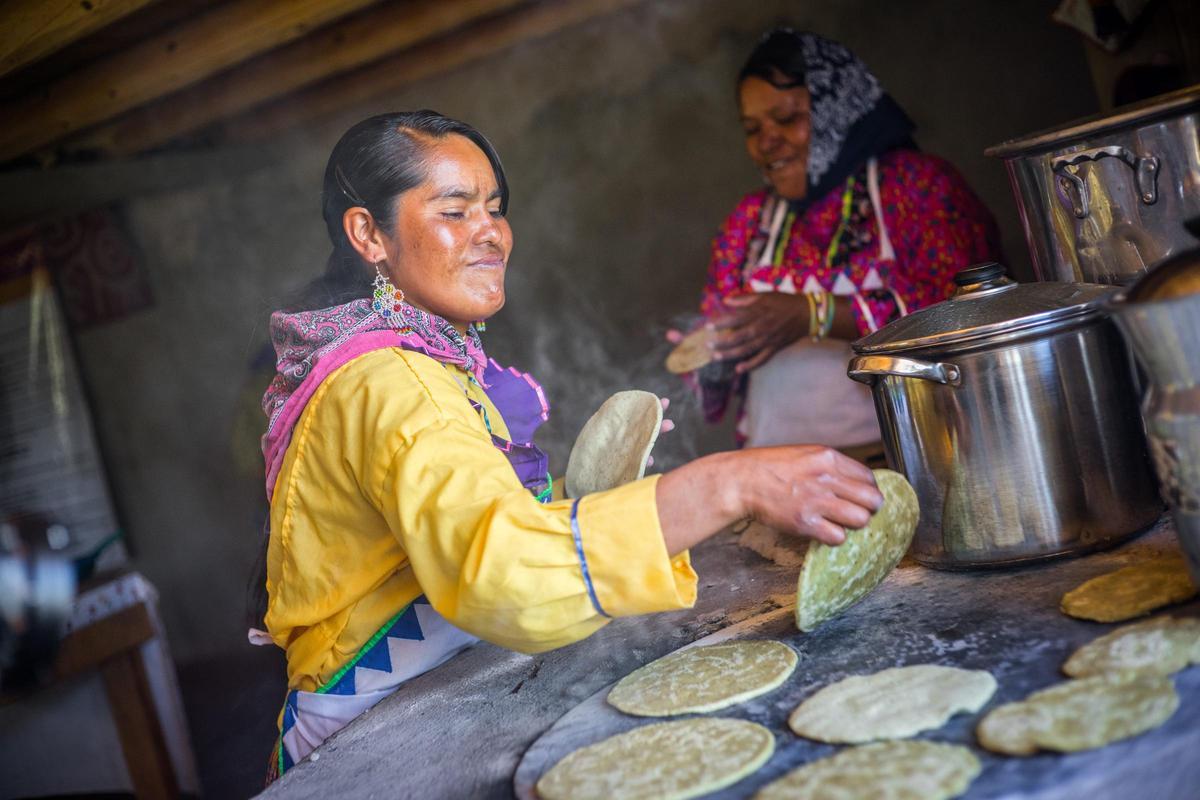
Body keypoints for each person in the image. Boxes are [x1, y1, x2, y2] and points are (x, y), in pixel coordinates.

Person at [253, 110, 883, 778]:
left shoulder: (399, 360)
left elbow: (460, 520)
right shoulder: (391, 381)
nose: (491, 233)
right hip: (375, 754)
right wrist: (730, 483)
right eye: (455, 211)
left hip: (411, 710)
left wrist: (601, 490)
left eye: (495, 209)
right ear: (368, 234)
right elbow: (501, 571)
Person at [672, 30, 1000, 450]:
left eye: (787, 119)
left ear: (838, 108)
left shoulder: (918, 188)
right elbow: (714, 373)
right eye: (752, 128)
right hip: (778, 477)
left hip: (913, 461)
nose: (766, 141)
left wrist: (817, 314)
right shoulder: (749, 221)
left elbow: (966, 320)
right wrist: (713, 354)